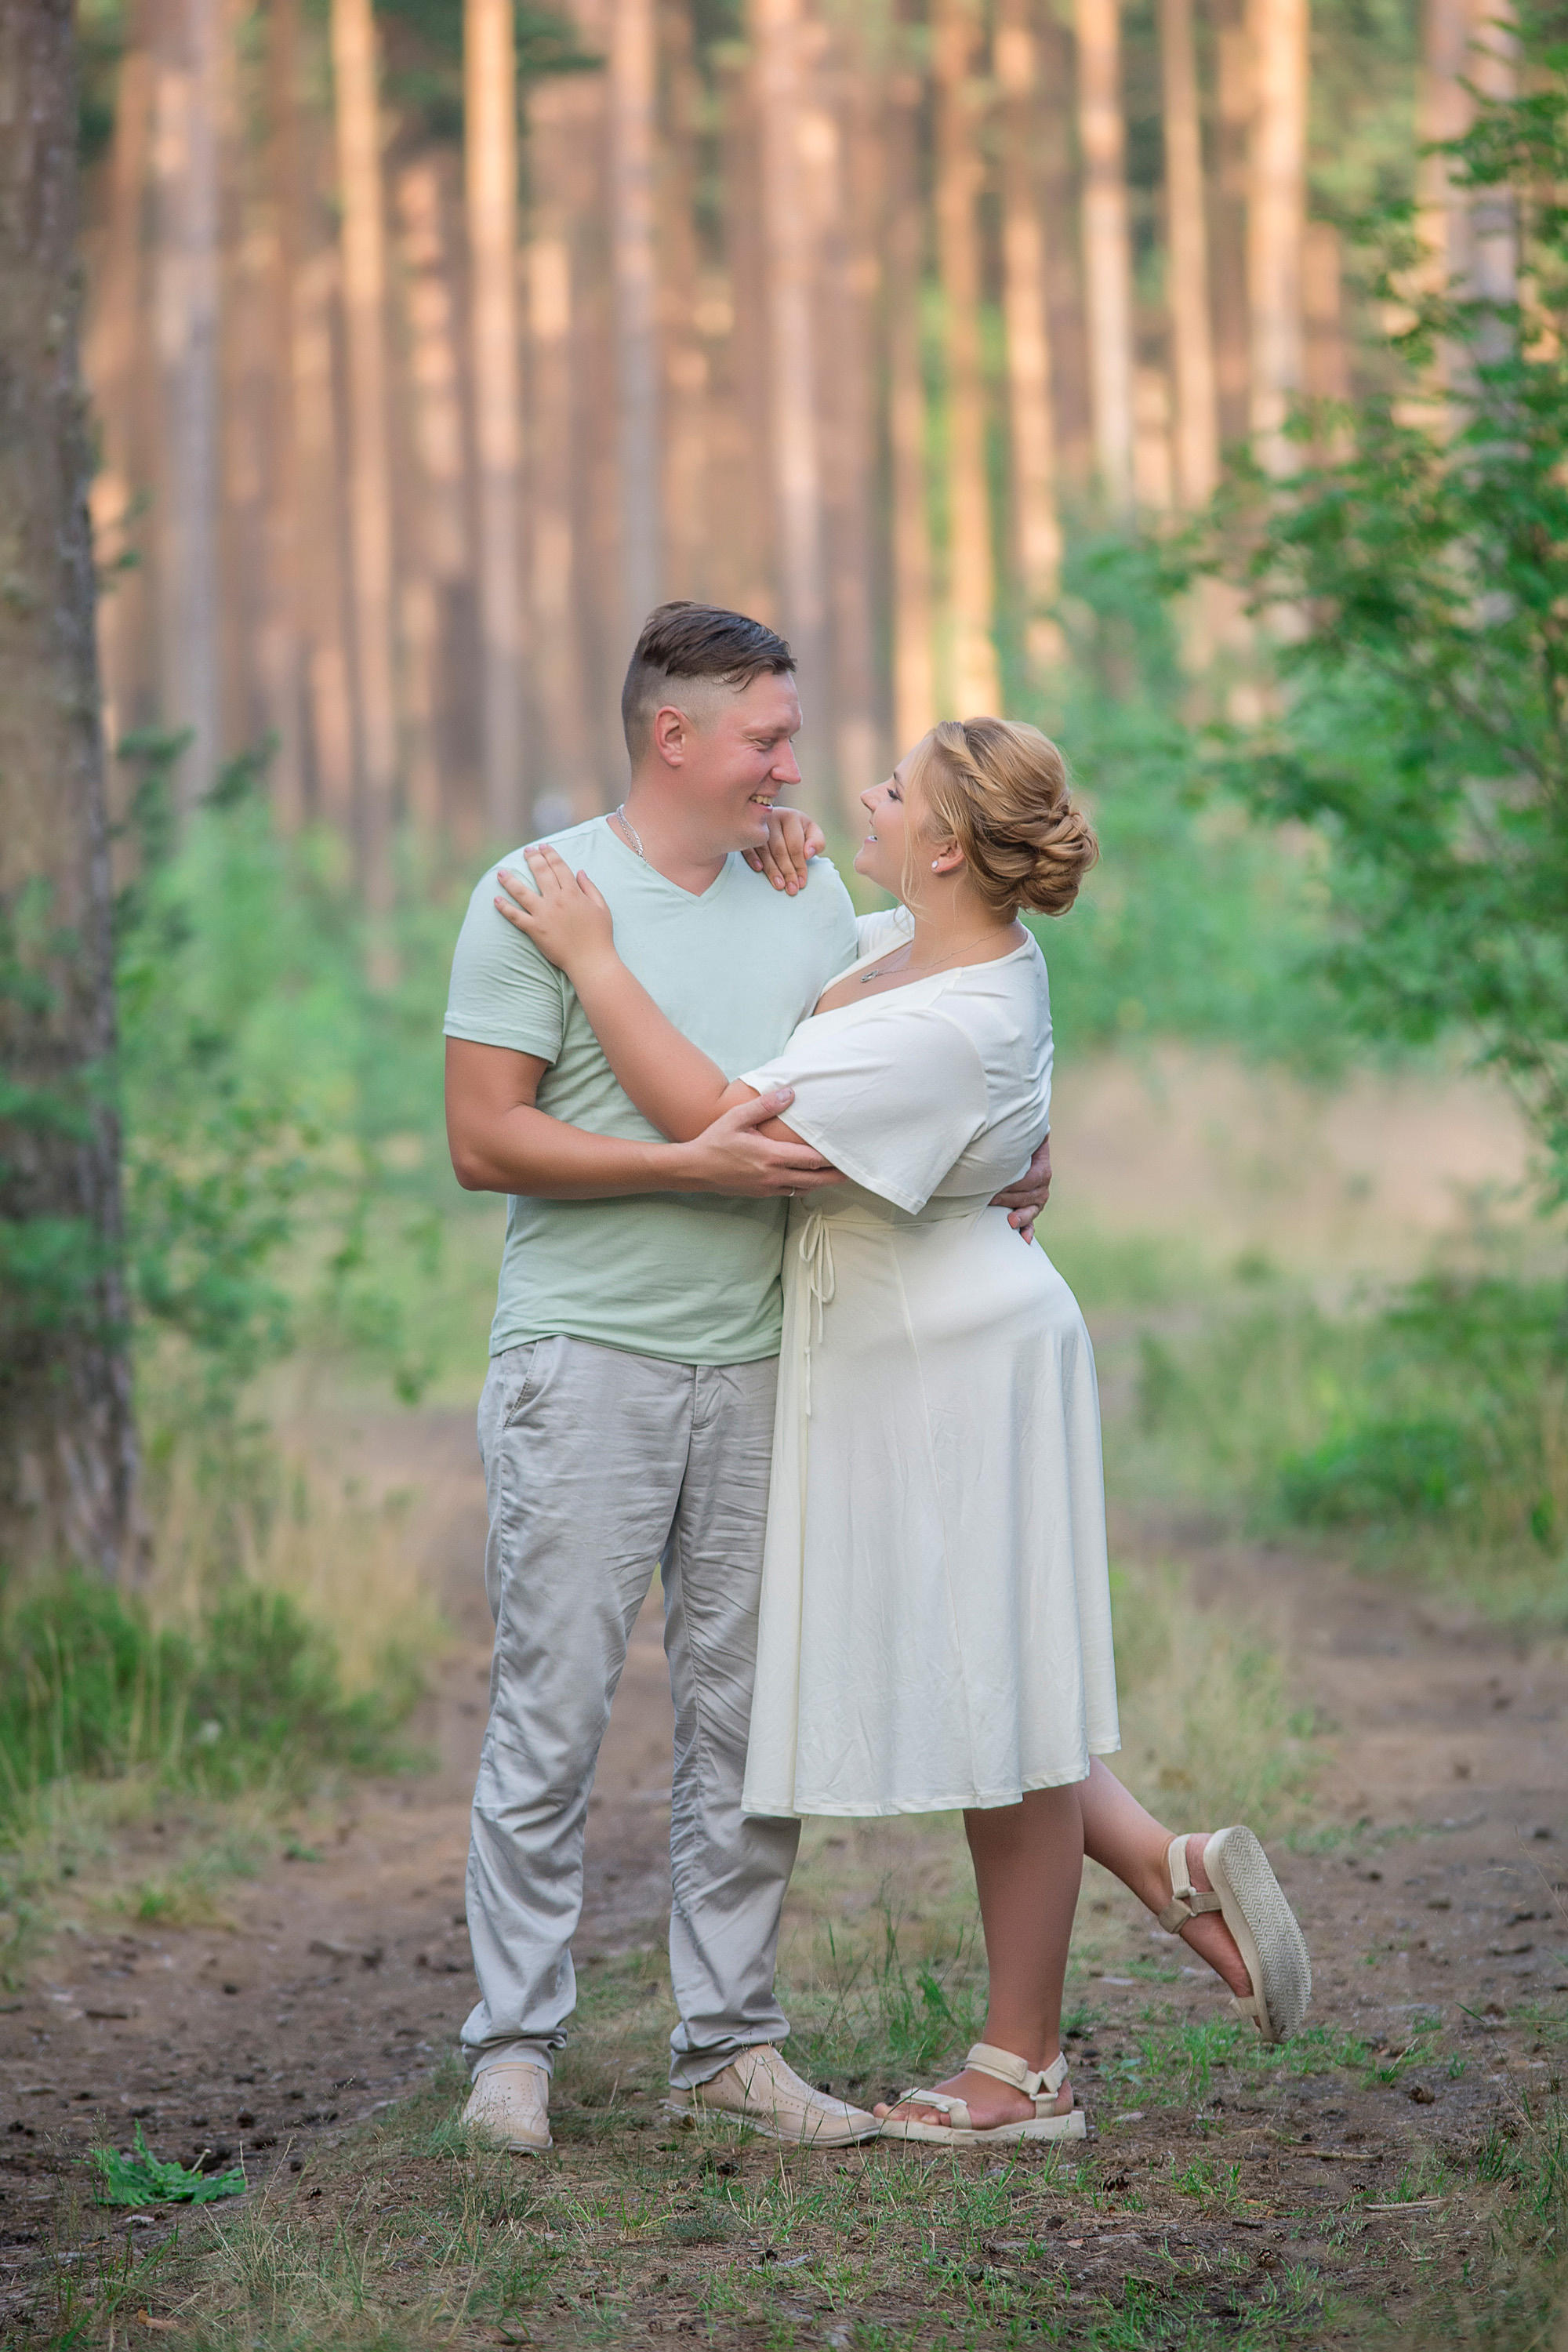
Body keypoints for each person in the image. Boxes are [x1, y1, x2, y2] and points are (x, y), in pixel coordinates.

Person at [489, 713, 1312, 2147]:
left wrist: (591, 958)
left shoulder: (945, 1016)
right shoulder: (930, 944)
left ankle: (1025, 2071)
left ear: (946, 845)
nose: (847, 790)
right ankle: (1162, 1866)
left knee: (999, 1688)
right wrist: (794, 875)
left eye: (888, 787)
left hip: (947, 1362)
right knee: (997, 1667)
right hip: (935, 1335)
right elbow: (842, 980)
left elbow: (719, 1124)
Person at [441, 604, 1053, 2155]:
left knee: (744, 1729)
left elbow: (942, 1018)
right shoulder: (539, 896)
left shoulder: (809, 896)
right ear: (675, 737)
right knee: (550, 1716)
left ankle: (728, 2044)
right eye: (769, 738)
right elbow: (483, 1138)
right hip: (585, 1359)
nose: (795, 764)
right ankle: (511, 2052)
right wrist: (684, 1164)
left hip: (774, 1366)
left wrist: (1013, 1154)